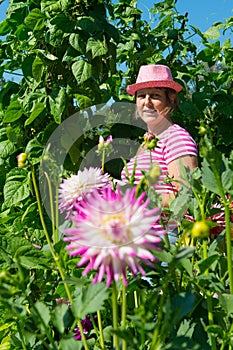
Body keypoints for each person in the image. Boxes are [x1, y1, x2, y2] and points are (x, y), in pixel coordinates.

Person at [121, 64, 198, 236]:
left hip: (164, 235)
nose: (146, 102)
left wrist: (135, 199)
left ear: (170, 99)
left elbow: (187, 197)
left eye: (155, 95)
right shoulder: (147, 142)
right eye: (141, 96)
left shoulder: (177, 138)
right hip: (139, 233)